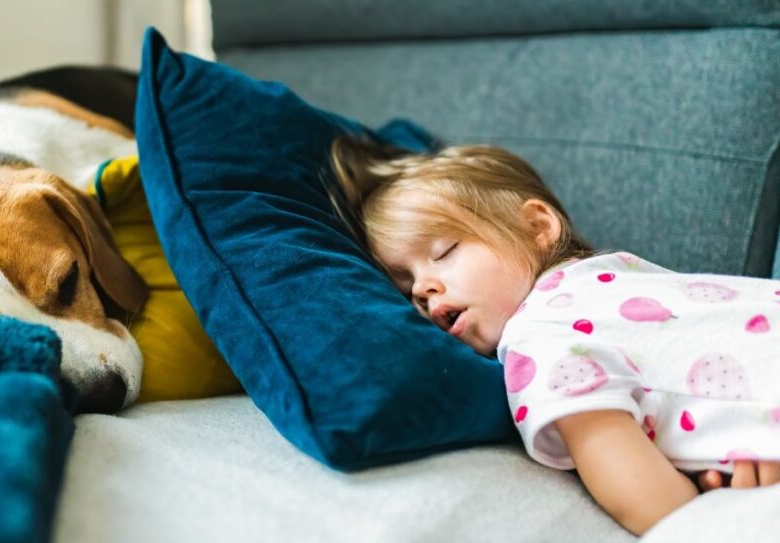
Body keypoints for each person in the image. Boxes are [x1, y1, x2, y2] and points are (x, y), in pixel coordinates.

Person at [329, 136, 780, 535]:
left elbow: (655, 506)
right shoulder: (614, 278)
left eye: (444, 251)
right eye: (407, 289)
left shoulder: (538, 335)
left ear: (537, 226)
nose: (424, 291)